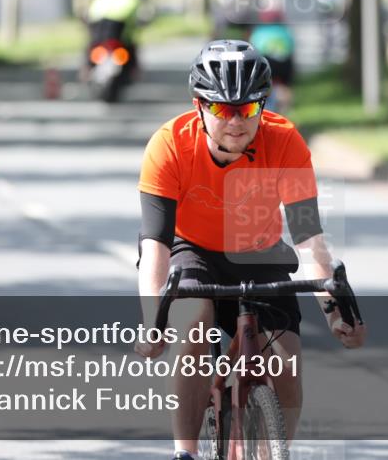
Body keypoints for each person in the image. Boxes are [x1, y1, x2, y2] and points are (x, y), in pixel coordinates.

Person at [134, 40, 367, 460]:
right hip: (191, 249)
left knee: (286, 365)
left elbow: (309, 239)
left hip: (259, 252)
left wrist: (334, 312)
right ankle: (185, 452)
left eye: (248, 108)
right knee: (193, 323)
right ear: (199, 106)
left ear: (263, 104)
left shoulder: (285, 142)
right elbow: (156, 247)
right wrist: (153, 321)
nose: (237, 121)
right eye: (223, 109)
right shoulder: (168, 146)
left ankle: (274, 452)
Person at [82, 0, 141, 80]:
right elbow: (135, 18)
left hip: (96, 22)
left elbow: (92, 10)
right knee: (129, 45)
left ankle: (86, 68)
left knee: (92, 44)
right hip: (118, 24)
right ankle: (132, 72)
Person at [249, 9, 296, 114]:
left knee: (264, 87)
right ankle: (284, 112)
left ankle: (267, 111)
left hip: (267, 61)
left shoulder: (259, 31)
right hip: (284, 62)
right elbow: (291, 47)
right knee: (284, 87)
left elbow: (254, 48)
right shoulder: (284, 31)